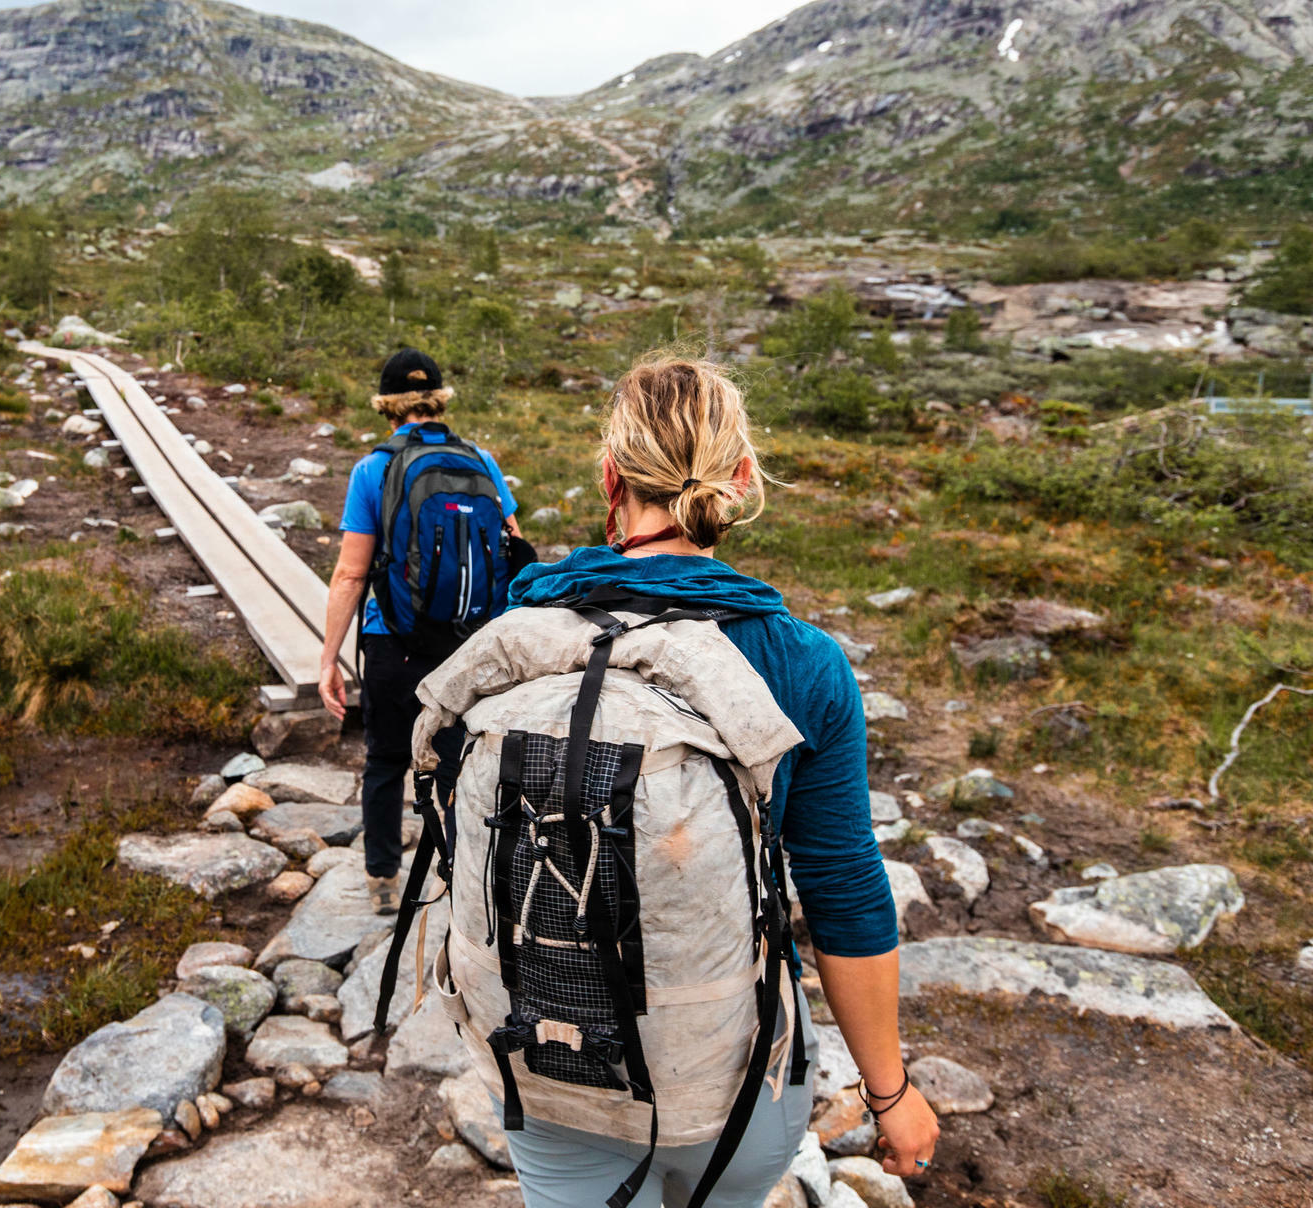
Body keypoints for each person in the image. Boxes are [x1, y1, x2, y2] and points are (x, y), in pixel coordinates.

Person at [437, 356, 938, 1206]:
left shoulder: (521, 640)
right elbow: (844, 889)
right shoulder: (801, 662)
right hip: (733, 1086)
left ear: (610, 477)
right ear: (739, 481)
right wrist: (889, 1095)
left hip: (549, 1077)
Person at [319, 347, 521, 914]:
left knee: (386, 761)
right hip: (467, 641)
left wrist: (328, 659)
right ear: (438, 401)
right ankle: (461, 883)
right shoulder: (481, 461)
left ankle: (384, 881)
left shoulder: (373, 469)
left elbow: (350, 573)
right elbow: (513, 544)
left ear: (387, 407)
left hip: (393, 641)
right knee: (457, 763)